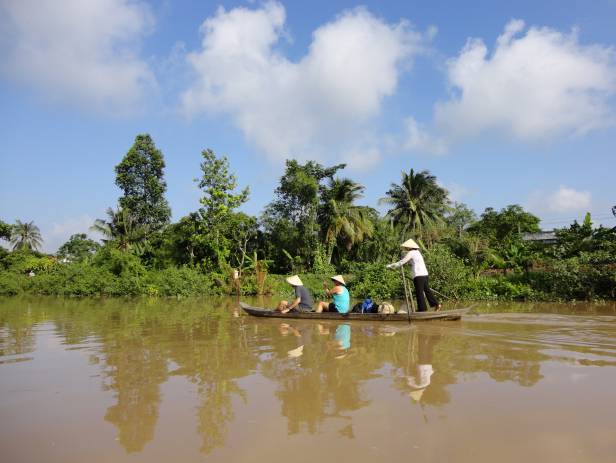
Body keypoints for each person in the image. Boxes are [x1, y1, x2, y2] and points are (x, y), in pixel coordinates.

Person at [386, 239, 441, 312]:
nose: (405, 248)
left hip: (418, 275)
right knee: (427, 290)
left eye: (406, 247)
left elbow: (401, 262)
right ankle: (436, 304)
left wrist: (390, 266)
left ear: (409, 247)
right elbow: (412, 262)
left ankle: (422, 309)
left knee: (419, 292)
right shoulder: (418, 252)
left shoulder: (411, 253)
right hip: (425, 274)